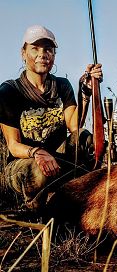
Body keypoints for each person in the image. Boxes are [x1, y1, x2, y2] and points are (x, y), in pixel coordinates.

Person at [0, 25, 103, 211]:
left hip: (58, 161)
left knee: (87, 139)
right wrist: (37, 153)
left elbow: (75, 127)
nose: (43, 54)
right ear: (23, 53)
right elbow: (14, 146)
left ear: (54, 55)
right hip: (24, 164)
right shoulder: (9, 91)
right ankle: (33, 207)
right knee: (40, 171)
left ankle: (86, 200)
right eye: (35, 49)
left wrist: (86, 93)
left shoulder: (62, 86)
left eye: (48, 49)